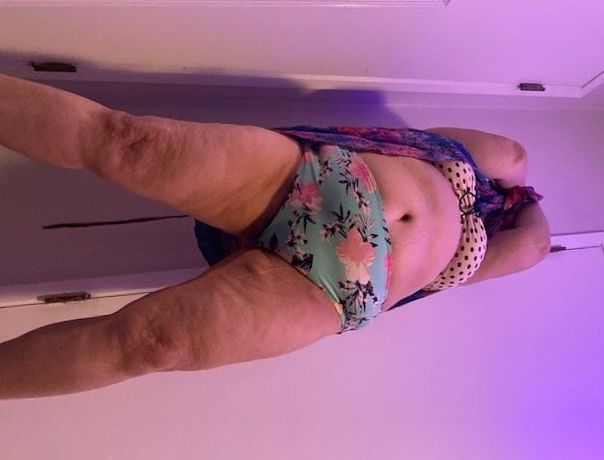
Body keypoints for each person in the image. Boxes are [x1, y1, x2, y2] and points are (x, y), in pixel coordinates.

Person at [0, 74, 550, 399]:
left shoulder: (493, 245)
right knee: (132, 143)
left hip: (341, 288)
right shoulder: (472, 163)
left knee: (152, 343)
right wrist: (520, 192)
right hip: (330, 179)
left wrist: (522, 210)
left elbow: (534, 246)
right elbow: (515, 155)